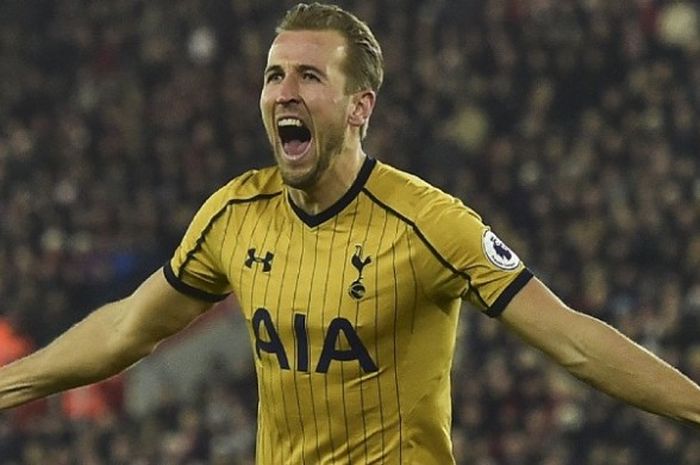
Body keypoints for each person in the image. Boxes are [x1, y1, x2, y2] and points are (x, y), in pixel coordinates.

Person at [1, 2, 699, 464]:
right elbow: (127, 328)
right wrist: (11, 384)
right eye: (274, 75)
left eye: (309, 75)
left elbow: (574, 339)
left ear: (360, 105)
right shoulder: (234, 214)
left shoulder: (430, 222)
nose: (283, 91)